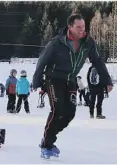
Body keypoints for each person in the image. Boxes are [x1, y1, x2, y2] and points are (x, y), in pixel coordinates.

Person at [32, 14, 113, 158]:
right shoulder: (57, 42)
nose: (82, 30)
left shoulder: (88, 43)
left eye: (83, 26)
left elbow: (98, 61)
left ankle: (48, 138)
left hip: (70, 80)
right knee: (58, 110)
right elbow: (42, 60)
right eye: (78, 27)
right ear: (70, 27)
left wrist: (107, 80)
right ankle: (47, 145)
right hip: (53, 79)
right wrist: (37, 80)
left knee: (69, 113)